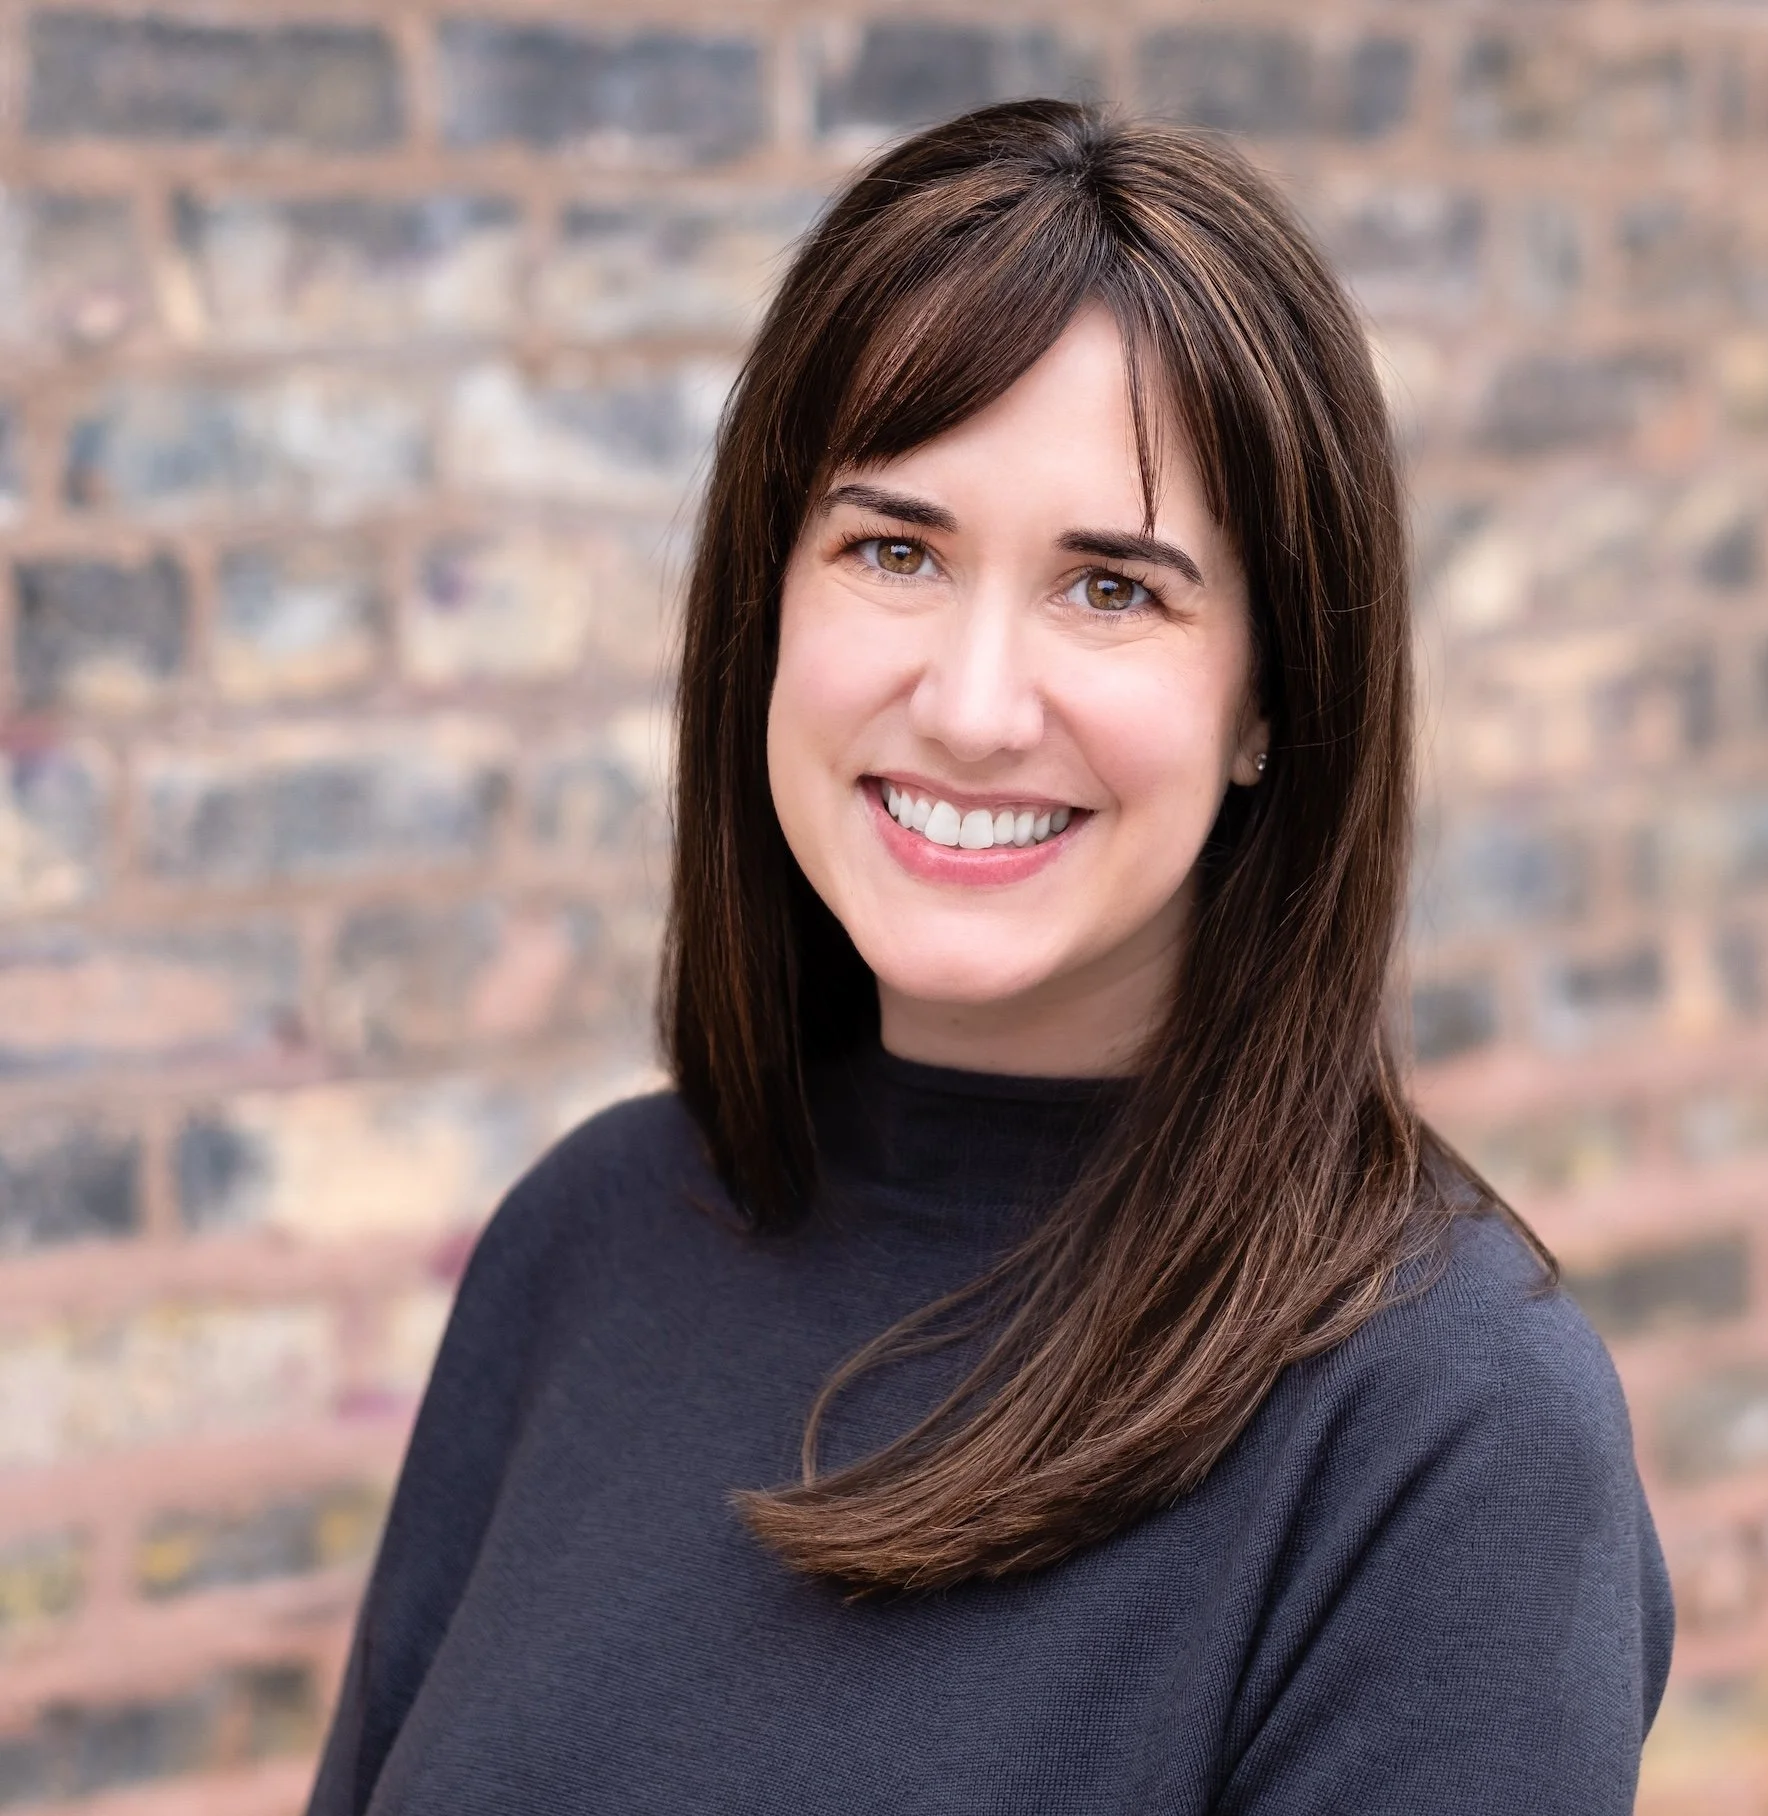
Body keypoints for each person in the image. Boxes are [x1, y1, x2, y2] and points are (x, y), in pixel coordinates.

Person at [307, 100, 1672, 1815]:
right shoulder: (585, 1246)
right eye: (893, 550)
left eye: (1111, 590)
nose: (967, 706)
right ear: (768, 605)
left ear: (1267, 703)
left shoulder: (1440, 1426)